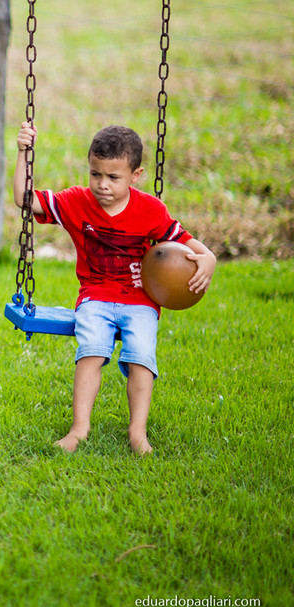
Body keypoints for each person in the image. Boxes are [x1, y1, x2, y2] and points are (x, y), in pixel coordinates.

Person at [14, 122, 216, 454]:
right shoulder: (76, 201)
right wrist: (24, 151)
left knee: (141, 357)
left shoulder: (151, 210)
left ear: (135, 175)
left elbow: (191, 244)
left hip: (140, 300)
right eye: (96, 174)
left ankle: (137, 432)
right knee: (91, 349)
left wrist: (208, 258)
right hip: (95, 296)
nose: (102, 185)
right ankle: (79, 429)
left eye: (113, 177)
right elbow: (25, 199)